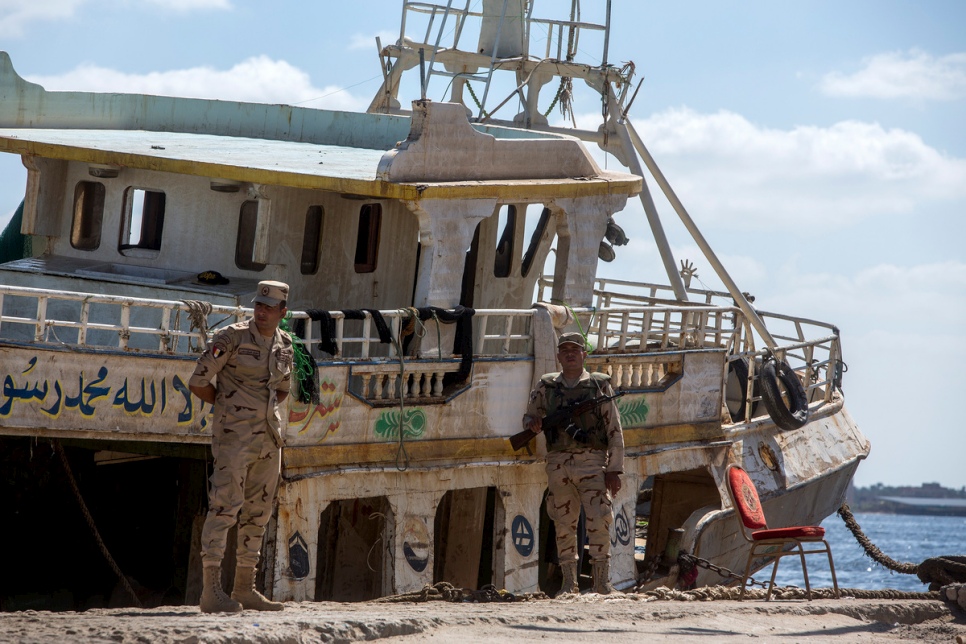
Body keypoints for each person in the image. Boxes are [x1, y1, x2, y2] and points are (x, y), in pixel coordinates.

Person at [188, 280, 294, 613]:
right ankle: (211, 592)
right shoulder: (231, 337)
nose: (261, 312)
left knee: (258, 512)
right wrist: (228, 407)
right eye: (258, 306)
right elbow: (198, 381)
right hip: (234, 438)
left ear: (282, 312)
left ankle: (244, 588)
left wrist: (262, 415)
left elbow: (283, 389)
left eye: (269, 308)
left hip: (268, 438)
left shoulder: (284, 344)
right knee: (224, 507)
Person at [522, 331, 624, 595]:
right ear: (558, 356)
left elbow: (614, 429)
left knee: (599, 519)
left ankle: (602, 583)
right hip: (558, 464)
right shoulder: (546, 386)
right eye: (565, 349)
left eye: (575, 349)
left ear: (583, 355)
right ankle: (569, 584)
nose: (569, 353)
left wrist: (614, 469)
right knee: (563, 523)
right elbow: (530, 416)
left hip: (592, 461)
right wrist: (532, 425)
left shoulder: (599, 386)